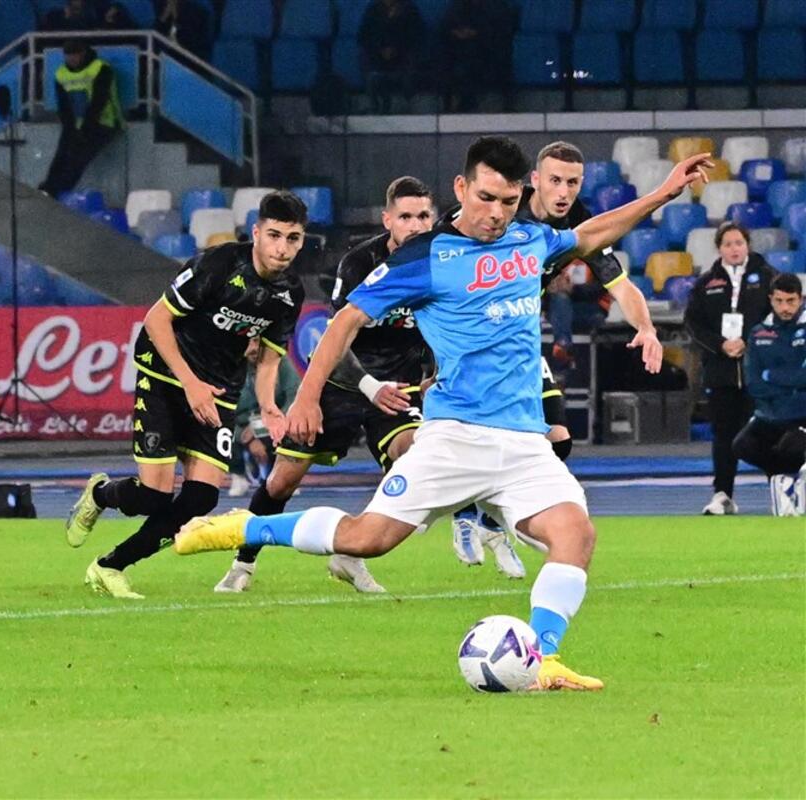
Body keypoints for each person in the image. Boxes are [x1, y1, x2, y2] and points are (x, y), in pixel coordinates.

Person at [174, 137, 712, 692]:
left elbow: (594, 233)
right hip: (455, 437)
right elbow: (345, 322)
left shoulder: (530, 240)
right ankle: (244, 528)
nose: (496, 213)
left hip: (525, 444)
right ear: (461, 188)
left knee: (576, 535)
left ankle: (544, 659)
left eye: (508, 202)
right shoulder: (426, 256)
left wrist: (664, 193)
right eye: (486, 199)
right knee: (366, 539)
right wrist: (307, 397)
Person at [214, 176, 454, 594]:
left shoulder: (442, 264)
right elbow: (336, 340)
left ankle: (351, 553)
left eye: (423, 216)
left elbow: (445, 329)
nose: (416, 225)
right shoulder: (360, 264)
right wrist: (366, 386)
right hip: (341, 384)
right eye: (405, 217)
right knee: (282, 482)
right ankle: (242, 564)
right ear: (388, 220)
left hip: (396, 391)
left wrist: (434, 376)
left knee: (415, 458)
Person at [64, 191, 308, 599]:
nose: (282, 248)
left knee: (201, 497)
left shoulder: (290, 293)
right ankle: (100, 493)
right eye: (274, 235)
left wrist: (269, 407)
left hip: (219, 387)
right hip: (164, 372)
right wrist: (191, 384)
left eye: (293, 238)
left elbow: (269, 359)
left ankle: (109, 566)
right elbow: (156, 320)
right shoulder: (217, 265)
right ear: (256, 233)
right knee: (153, 496)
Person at [446, 141, 662, 573]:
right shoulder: (502, 208)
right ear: (535, 181)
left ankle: (489, 517)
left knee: (558, 437)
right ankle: (464, 512)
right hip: (466, 336)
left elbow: (619, 284)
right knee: (469, 434)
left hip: (517, 340)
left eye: (573, 182)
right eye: (555, 181)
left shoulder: (579, 224)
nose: (564, 192)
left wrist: (647, 327)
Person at [685, 221, 779, 516]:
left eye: (739, 243)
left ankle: (781, 492)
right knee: (724, 436)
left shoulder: (769, 277)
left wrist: (752, 342)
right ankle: (723, 494)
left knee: (769, 433)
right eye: (728, 244)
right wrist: (721, 345)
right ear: (719, 248)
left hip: (759, 373)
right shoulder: (706, 284)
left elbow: (779, 315)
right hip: (721, 372)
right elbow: (694, 324)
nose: (734, 249)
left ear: (747, 245)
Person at [733, 273, 806, 516]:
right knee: (742, 445)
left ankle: (787, 487)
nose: (785, 308)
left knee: (790, 448)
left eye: (791, 301)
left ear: (801, 299)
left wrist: (772, 375)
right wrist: (791, 385)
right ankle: (787, 483)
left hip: (802, 412)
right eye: (779, 301)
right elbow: (754, 382)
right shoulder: (758, 332)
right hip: (772, 414)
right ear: (771, 299)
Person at [38, 40, 124, 197]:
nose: (71, 59)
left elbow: (99, 101)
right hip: (75, 124)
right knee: (61, 154)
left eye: (74, 55)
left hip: (103, 122)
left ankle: (59, 193)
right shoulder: (61, 74)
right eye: (68, 56)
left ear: (82, 53)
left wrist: (85, 128)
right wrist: (69, 127)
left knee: (77, 159)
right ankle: (47, 188)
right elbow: (63, 105)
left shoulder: (101, 69)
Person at [227, 338, 301, 497]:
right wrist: (247, 435)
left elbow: (293, 399)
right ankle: (238, 475)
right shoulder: (233, 366)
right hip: (242, 426)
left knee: (296, 423)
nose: (254, 348)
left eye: (257, 342)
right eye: (249, 343)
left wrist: (259, 428)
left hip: (276, 421)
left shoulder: (282, 363)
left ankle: (285, 475)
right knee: (223, 429)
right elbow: (228, 408)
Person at [357, 0, 426, 114]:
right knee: (365, 57)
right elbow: (363, 36)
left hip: (402, 56)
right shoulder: (373, 10)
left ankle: (408, 101)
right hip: (377, 57)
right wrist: (380, 49)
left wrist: (396, 49)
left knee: (411, 58)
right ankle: (374, 105)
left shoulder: (409, 10)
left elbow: (416, 36)